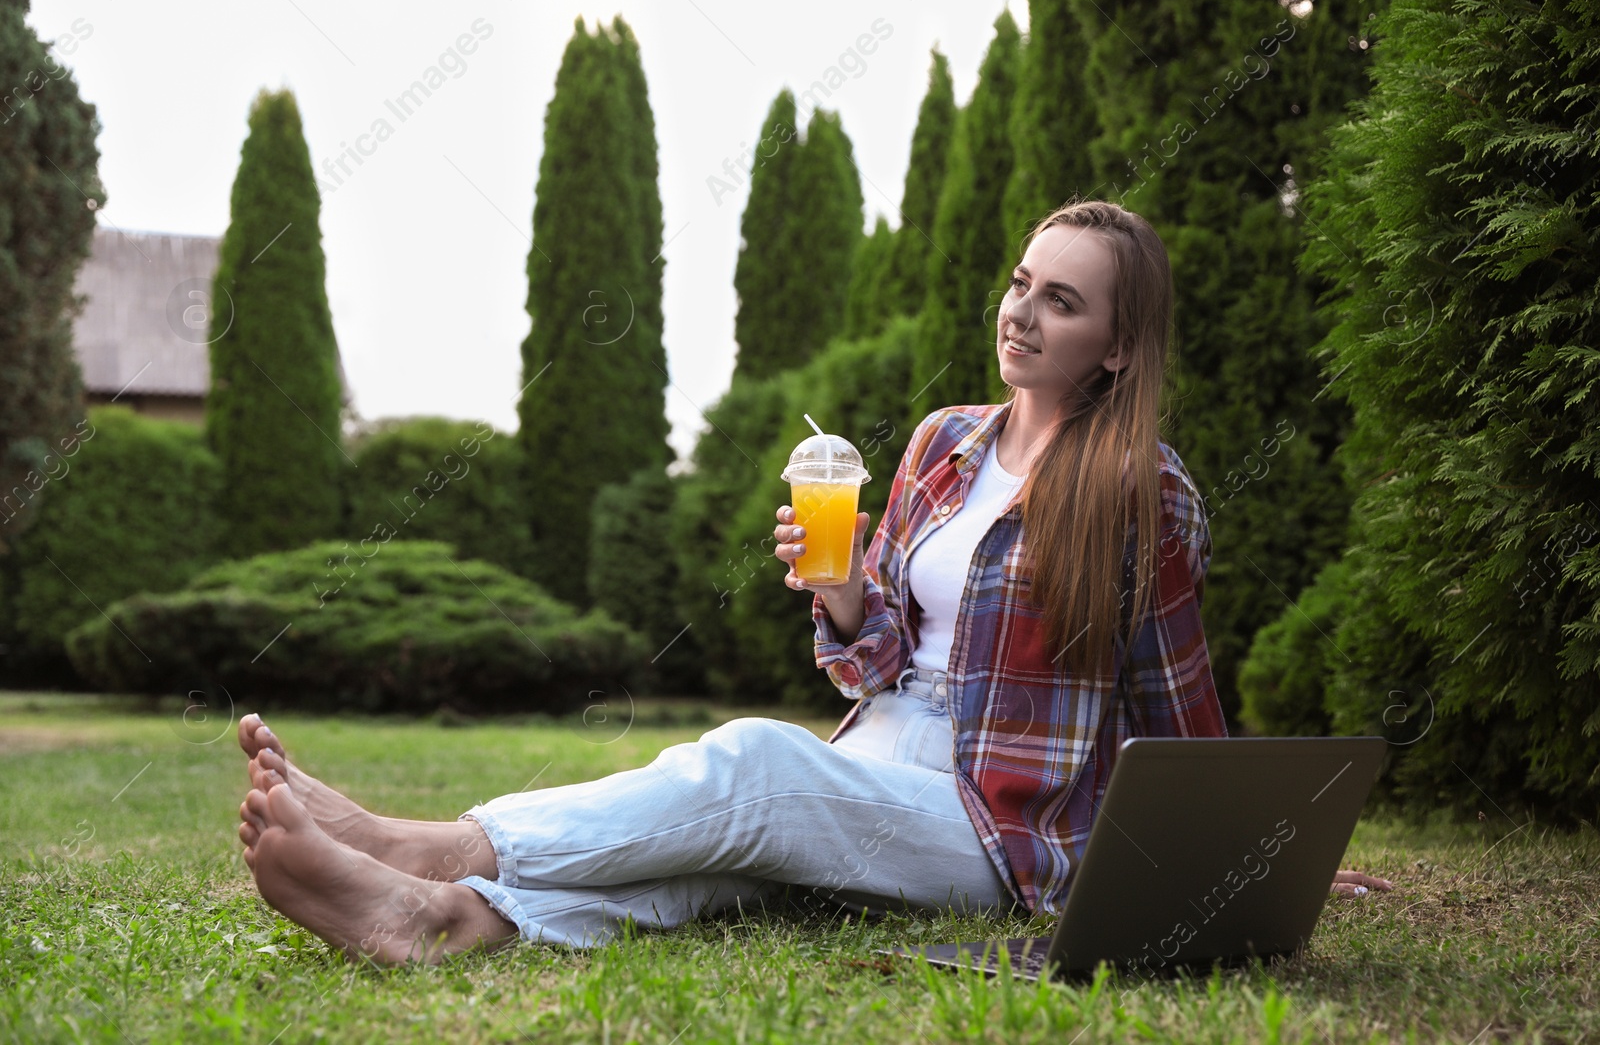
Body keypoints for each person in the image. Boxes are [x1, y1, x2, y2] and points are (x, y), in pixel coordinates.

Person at [235, 199, 1393, 965]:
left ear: (1119, 345)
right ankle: (439, 918)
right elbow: (875, 656)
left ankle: (434, 844)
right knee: (707, 860)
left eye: (1061, 300)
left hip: (999, 826)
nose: (1020, 310)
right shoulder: (946, 442)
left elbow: (1179, 709)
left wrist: (1260, 865)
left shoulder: (1147, 491)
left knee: (753, 765)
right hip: (879, 749)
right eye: (1021, 281)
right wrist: (842, 594)